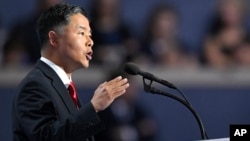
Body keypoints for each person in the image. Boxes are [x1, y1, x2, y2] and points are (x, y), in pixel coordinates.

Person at [12, 3, 129, 141]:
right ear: (54, 39)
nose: (90, 42)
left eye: (90, 35)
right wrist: (93, 107)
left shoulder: (64, 86)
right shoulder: (34, 86)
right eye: (81, 33)